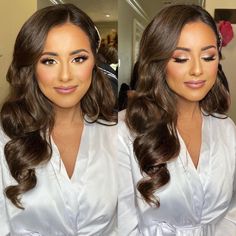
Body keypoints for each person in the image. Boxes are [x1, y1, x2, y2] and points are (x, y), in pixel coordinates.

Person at [118, 4, 236, 235]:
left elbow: (232, 211)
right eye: (181, 58)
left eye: (208, 56)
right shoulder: (123, 132)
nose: (197, 70)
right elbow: (121, 225)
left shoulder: (226, 128)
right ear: (158, 62)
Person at [0, 4, 117, 235]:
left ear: (95, 62)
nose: (65, 76)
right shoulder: (5, 139)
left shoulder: (119, 135)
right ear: (31, 67)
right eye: (49, 61)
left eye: (78, 59)